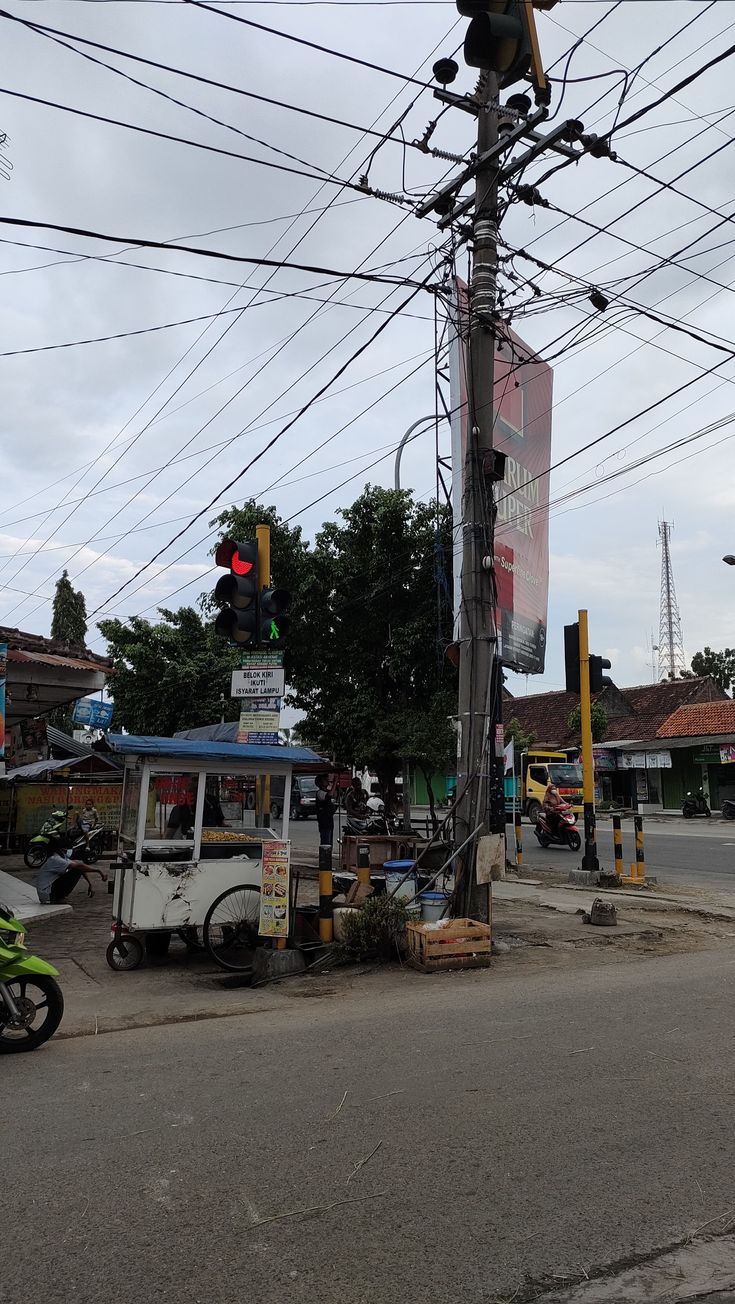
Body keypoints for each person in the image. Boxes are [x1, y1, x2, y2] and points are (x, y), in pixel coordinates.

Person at [36, 836, 108, 904]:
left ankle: (58, 897)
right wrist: (98, 871)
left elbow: (80, 866)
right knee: (76, 870)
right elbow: (79, 867)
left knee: (77, 869)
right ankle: (58, 898)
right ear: (63, 849)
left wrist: (90, 884)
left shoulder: (62, 858)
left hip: (47, 892)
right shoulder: (55, 859)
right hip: (47, 894)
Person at [315, 774, 336, 848]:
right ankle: (324, 858)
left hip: (329, 821)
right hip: (324, 822)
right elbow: (329, 795)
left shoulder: (326, 791)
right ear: (320, 783)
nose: (327, 781)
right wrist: (335, 783)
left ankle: (328, 857)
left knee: (329, 842)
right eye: (325, 780)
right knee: (326, 842)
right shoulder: (320, 793)